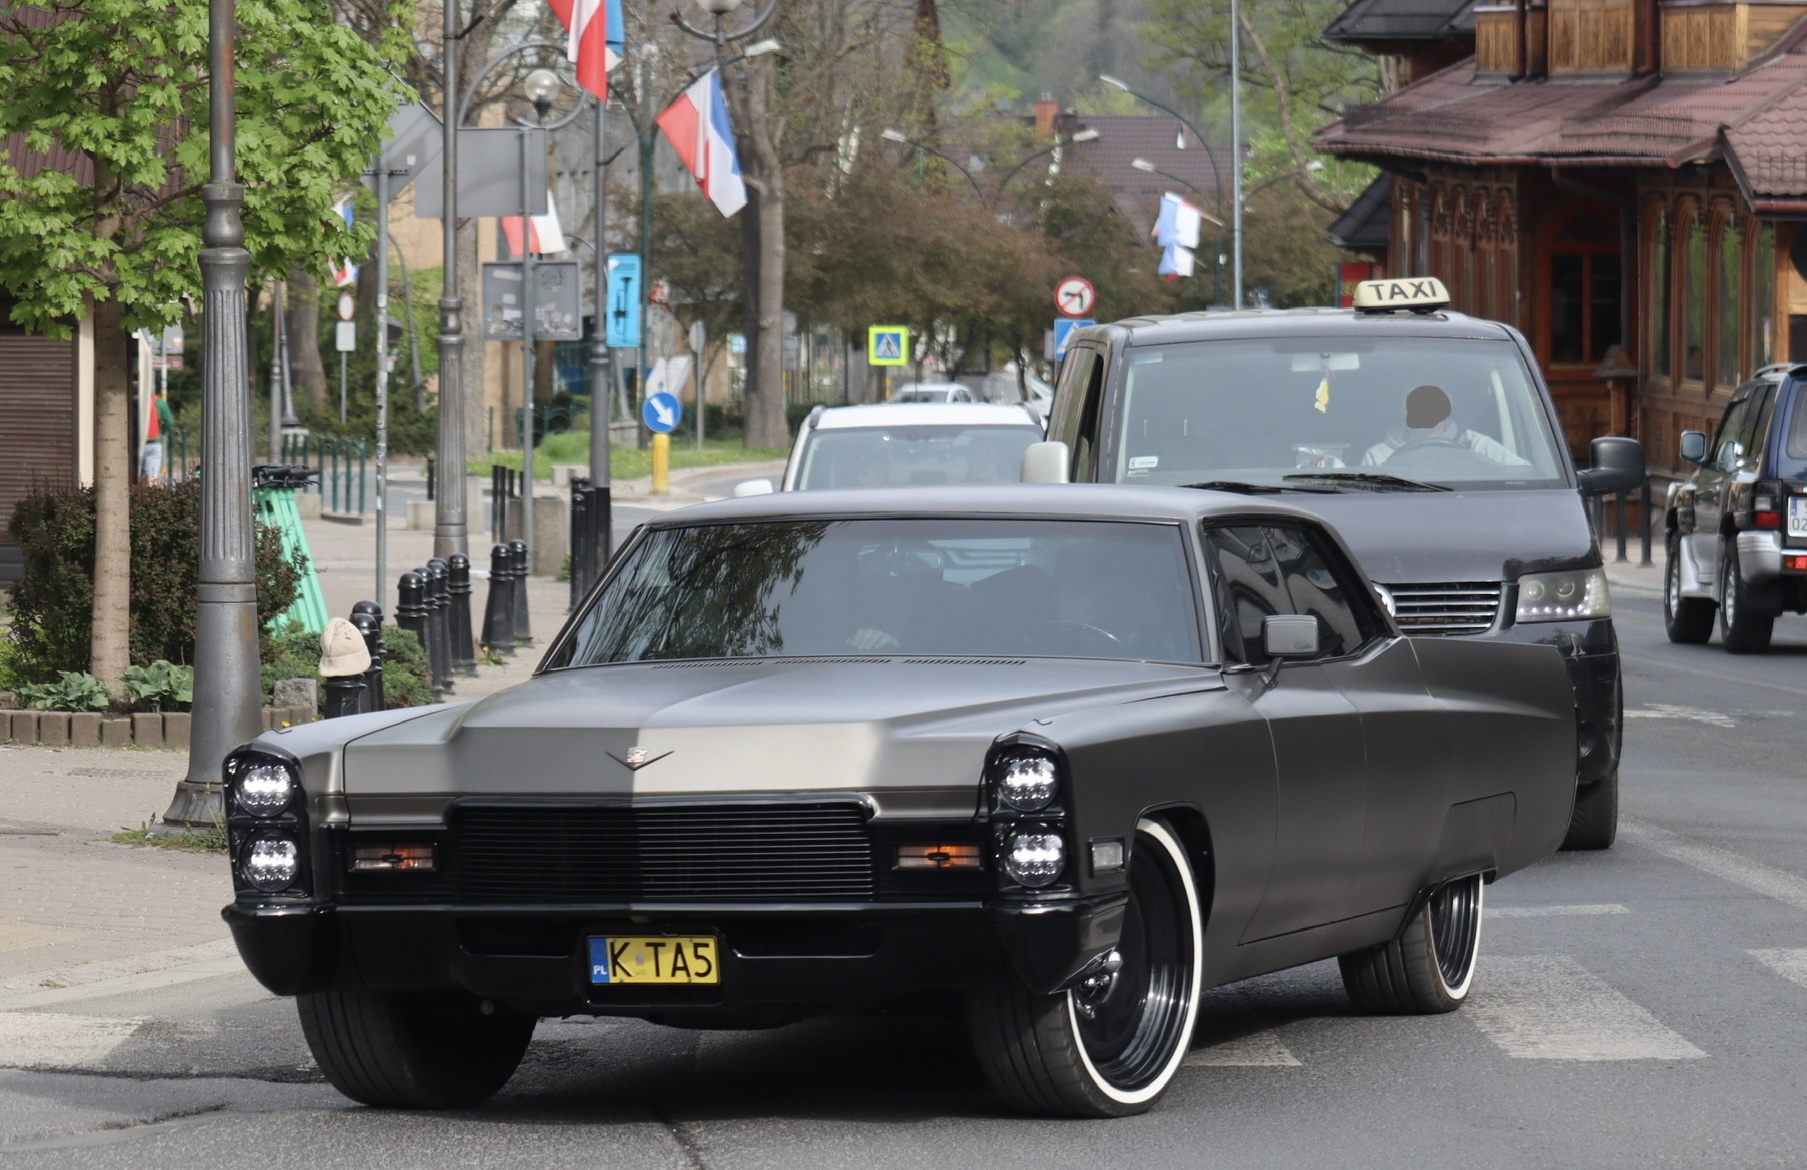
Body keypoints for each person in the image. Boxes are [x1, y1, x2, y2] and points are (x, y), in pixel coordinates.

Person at [1361, 383, 1528, 468]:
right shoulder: (1377, 457)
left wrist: (1483, 466)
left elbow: (1524, 474)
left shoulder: (1476, 445)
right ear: (1402, 407)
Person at [140, 391, 174, 481]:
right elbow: (169, 422)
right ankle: (149, 493)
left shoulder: (139, 401)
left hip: (138, 443)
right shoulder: (160, 403)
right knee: (151, 476)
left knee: (138, 476)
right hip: (154, 443)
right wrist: (161, 433)